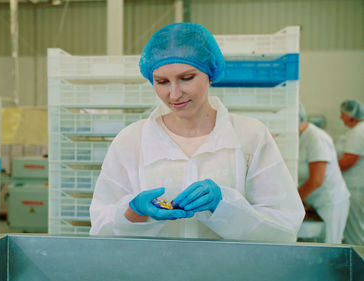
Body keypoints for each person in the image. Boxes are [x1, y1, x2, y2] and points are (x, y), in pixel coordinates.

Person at [89, 22, 305, 242]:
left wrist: (226, 206)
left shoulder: (250, 136)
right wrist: (134, 210)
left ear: (210, 74)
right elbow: (100, 226)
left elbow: (284, 228)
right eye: (162, 82)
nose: (174, 95)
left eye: (186, 78)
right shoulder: (131, 140)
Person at [297, 104, 349, 243]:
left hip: (329, 202)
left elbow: (317, 180)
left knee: (330, 245)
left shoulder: (316, 138)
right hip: (315, 201)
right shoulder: (300, 137)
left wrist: (295, 200)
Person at [338, 99, 364, 245]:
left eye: (342, 113)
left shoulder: (358, 131)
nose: (341, 117)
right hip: (357, 187)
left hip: (356, 189)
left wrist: (328, 169)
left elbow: (349, 160)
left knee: (355, 234)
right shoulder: (357, 131)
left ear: (350, 114)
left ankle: (359, 265)